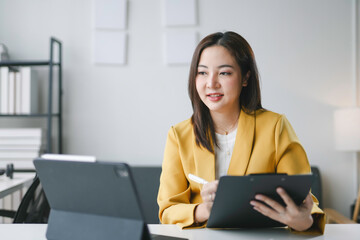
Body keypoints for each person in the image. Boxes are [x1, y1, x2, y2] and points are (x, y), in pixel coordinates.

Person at [157, 31, 325, 233]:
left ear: (245, 77)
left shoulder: (275, 126)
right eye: (202, 73)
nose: (211, 83)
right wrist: (206, 209)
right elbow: (167, 211)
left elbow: (304, 203)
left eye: (224, 73)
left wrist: (303, 222)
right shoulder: (179, 135)